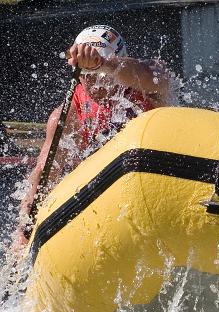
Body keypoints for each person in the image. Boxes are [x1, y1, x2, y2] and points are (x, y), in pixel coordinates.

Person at [13, 25, 176, 247]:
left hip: (158, 187)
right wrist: (23, 229)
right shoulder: (68, 113)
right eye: (86, 75)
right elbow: (44, 172)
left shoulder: (147, 81)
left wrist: (104, 64)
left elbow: (150, 74)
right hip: (111, 202)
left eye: (99, 74)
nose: (92, 83)